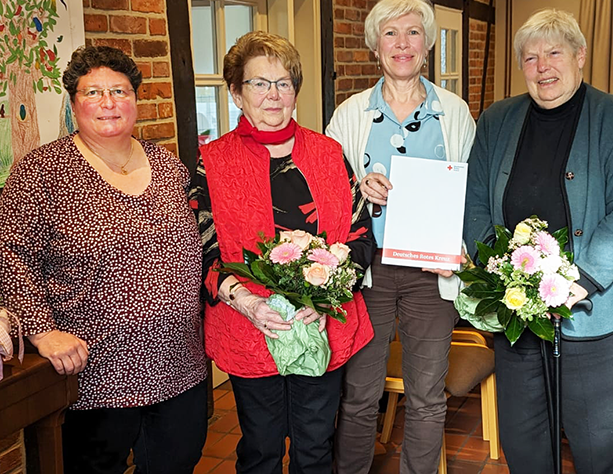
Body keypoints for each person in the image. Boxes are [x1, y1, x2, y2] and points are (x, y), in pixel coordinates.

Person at [0, 45, 208, 474]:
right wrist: (40, 332)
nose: (109, 103)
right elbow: (11, 253)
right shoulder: (42, 172)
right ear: (73, 102)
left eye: (120, 90)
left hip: (179, 365)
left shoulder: (168, 165)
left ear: (136, 99)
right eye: (93, 92)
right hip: (94, 377)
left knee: (178, 464)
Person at [464, 9, 613, 474]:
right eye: (530, 58)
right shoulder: (496, 119)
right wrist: (503, 271)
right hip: (516, 307)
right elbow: (473, 204)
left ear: (580, 56)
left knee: (598, 442)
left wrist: (580, 280)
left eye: (553, 53)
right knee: (524, 435)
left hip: (593, 310)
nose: (542, 66)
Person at [190, 31, 375, 474]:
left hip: (322, 320)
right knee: (261, 447)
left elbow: (360, 232)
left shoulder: (329, 153)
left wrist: (328, 297)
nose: (273, 95)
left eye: (284, 83)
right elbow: (203, 251)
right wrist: (248, 301)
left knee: (315, 445)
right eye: (259, 83)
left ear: (295, 90)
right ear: (236, 93)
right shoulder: (211, 161)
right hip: (250, 324)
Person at [327, 0, 476, 473]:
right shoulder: (350, 114)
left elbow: (473, 191)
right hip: (367, 271)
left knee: (428, 395)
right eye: (390, 33)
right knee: (359, 394)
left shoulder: (454, 112)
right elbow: (325, 192)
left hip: (431, 273)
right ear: (375, 46)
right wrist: (357, 185)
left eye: (413, 32)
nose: (402, 43)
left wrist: (463, 252)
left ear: (428, 43)